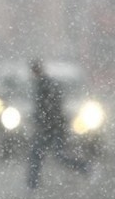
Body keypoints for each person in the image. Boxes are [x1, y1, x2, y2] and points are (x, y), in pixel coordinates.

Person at [27, 59, 89, 189]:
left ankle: (85, 168)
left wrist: (44, 121)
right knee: (41, 155)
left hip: (52, 128)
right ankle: (32, 184)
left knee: (53, 155)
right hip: (51, 127)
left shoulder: (45, 85)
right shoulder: (42, 85)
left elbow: (51, 108)